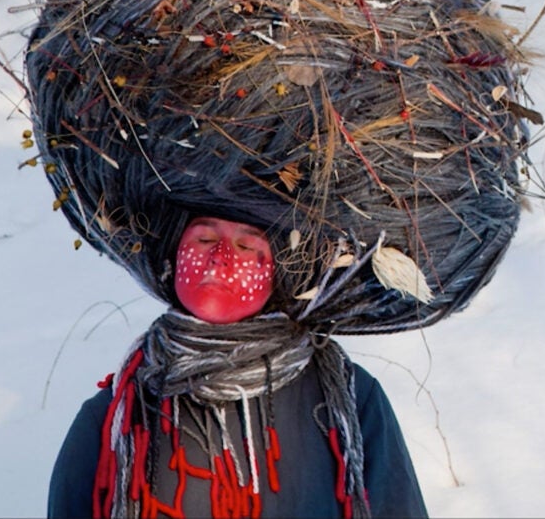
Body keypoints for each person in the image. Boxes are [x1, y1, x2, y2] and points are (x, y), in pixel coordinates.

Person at [48, 216, 427, 519]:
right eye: (203, 240)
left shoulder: (346, 398)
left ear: (279, 271)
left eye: (246, 246)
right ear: (172, 258)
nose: (220, 257)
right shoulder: (115, 416)